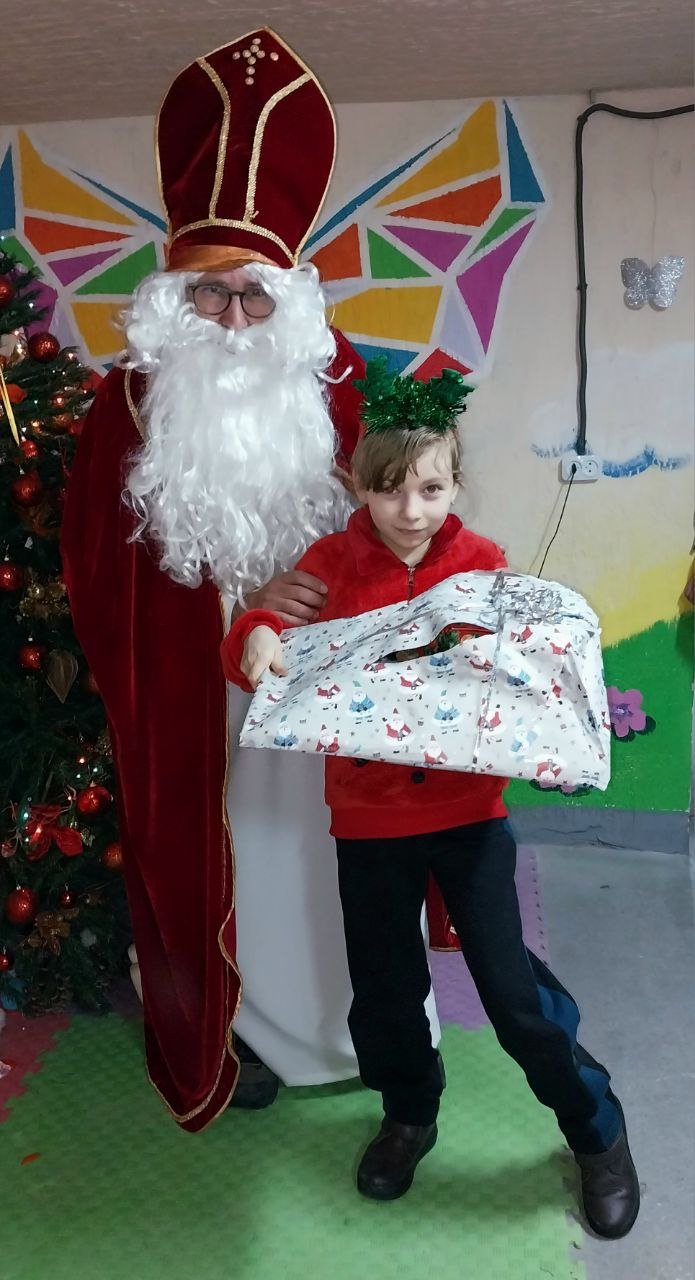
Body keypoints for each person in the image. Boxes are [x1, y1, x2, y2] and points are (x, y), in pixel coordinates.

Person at [62, 28, 439, 1129]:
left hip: (326, 697)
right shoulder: (124, 405)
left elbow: (414, 529)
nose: (232, 322)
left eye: (255, 298)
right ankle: (234, 1032)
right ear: (172, 299)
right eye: (209, 296)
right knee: (224, 864)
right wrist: (213, 620)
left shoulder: (342, 389)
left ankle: (360, 1031)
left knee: (329, 866)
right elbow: (95, 563)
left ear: (293, 301)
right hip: (198, 699)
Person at [221, 360, 640, 1238]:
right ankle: (408, 1112)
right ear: (357, 483)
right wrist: (253, 635)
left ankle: (595, 1127)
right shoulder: (331, 564)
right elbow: (259, 634)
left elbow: (527, 675)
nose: (409, 511)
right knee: (383, 987)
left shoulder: (482, 565)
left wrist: (558, 739)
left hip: (468, 819)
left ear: (455, 481)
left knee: (511, 993)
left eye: (430, 489)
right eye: (388, 490)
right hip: (368, 821)